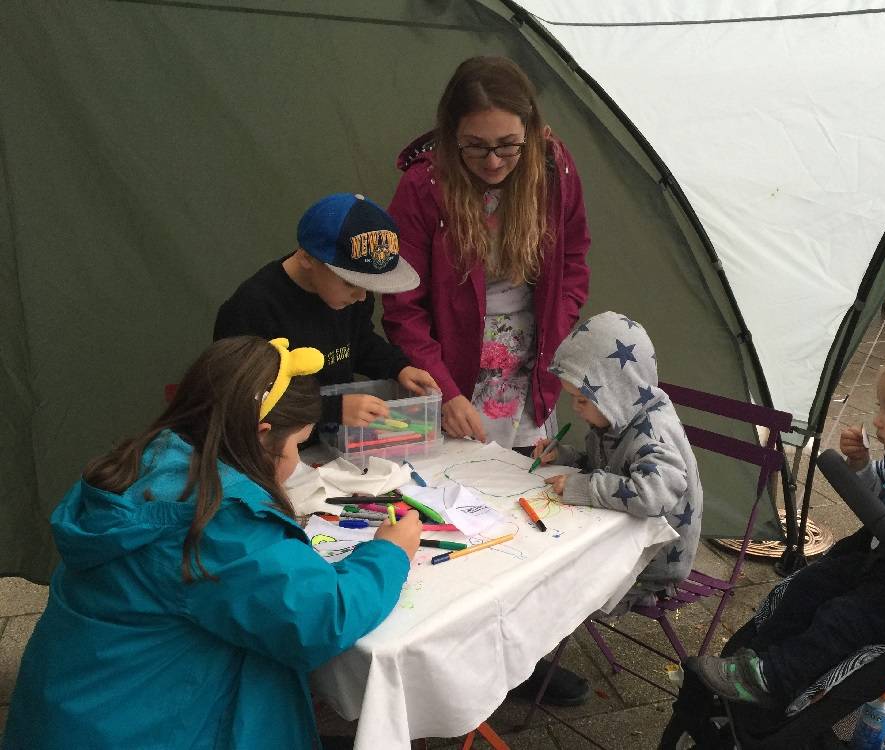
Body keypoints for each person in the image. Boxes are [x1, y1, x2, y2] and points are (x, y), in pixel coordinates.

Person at [2, 336, 421, 750]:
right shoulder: (216, 521)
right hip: (135, 730)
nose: (296, 463)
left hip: (75, 713)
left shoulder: (151, 459)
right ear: (261, 435)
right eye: (297, 445)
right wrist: (390, 552)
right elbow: (322, 619)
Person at [686, 344, 885, 711]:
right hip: (884, 562)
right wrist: (862, 465)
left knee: (843, 619)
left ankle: (775, 678)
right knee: (808, 584)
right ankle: (754, 657)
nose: (879, 420)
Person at [382, 55, 591, 450]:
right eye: (475, 147)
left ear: (531, 131)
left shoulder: (553, 171)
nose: (493, 161)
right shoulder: (423, 186)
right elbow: (402, 304)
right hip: (450, 383)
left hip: (529, 383)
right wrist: (444, 391)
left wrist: (556, 330)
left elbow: (573, 261)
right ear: (450, 135)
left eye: (509, 146)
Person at [214, 192, 437, 430]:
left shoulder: (349, 296)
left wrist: (398, 367)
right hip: (276, 447)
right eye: (350, 282)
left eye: (369, 285)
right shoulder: (252, 308)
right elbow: (246, 396)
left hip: (332, 441)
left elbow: (358, 342)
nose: (362, 296)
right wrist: (331, 408)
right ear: (307, 258)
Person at [535, 311, 703, 610]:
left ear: (616, 392)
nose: (575, 408)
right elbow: (609, 467)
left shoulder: (653, 432)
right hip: (622, 538)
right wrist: (564, 456)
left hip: (651, 562)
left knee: (556, 589)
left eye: (583, 400)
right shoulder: (619, 415)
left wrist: (586, 487)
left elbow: (654, 494)